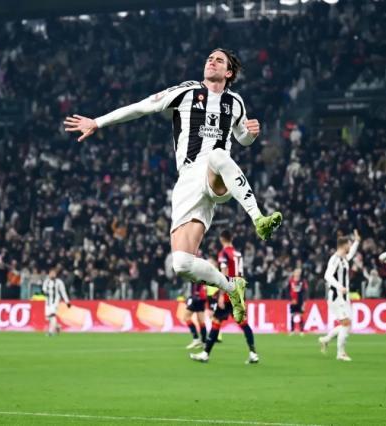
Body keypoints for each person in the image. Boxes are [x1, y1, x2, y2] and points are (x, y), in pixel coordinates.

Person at [64, 48, 283, 324]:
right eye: (210, 58)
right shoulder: (186, 92)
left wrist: (251, 134)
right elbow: (141, 107)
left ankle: (258, 218)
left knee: (217, 154)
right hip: (188, 180)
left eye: (219, 60)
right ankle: (230, 286)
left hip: (215, 174)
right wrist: (98, 122)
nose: (211, 61)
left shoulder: (235, 102)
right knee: (182, 264)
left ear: (228, 72)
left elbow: (242, 138)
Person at [190, 230, 259, 364]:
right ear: (231, 238)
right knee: (243, 323)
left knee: (216, 321)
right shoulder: (238, 254)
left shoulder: (223, 254)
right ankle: (253, 353)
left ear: (221, 239)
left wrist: (221, 295)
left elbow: (224, 275)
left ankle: (205, 354)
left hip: (228, 292)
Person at [319, 230, 361, 362]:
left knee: (347, 325)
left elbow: (351, 253)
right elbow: (327, 275)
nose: (350, 246)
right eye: (349, 244)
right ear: (344, 245)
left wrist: (357, 241)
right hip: (336, 296)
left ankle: (326, 339)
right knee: (345, 323)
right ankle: (340, 353)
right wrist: (339, 286)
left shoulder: (344, 259)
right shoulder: (335, 259)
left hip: (344, 297)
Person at [42, 267, 71, 336]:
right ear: (49, 274)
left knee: (52, 315)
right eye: (51, 273)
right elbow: (43, 289)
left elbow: (63, 292)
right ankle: (57, 326)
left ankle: (50, 332)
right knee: (49, 318)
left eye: (53, 273)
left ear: (56, 274)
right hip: (47, 302)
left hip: (55, 302)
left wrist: (67, 302)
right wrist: (45, 292)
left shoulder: (59, 282)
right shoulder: (46, 281)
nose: (52, 275)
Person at [183, 279, 208, 349]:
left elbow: (198, 280)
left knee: (186, 317)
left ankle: (196, 339)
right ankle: (203, 342)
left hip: (197, 297)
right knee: (201, 321)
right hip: (201, 297)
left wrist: (196, 292)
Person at [287, 268, 307, 336]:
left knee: (300, 315)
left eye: (298, 273)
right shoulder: (291, 281)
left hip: (300, 301)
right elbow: (288, 290)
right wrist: (290, 299)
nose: (297, 274)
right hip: (293, 301)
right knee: (292, 315)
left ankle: (301, 330)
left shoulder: (302, 281)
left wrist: (304, 301)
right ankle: (292, 330)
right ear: (294, 273)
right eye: (296, 272)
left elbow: (304, 291)